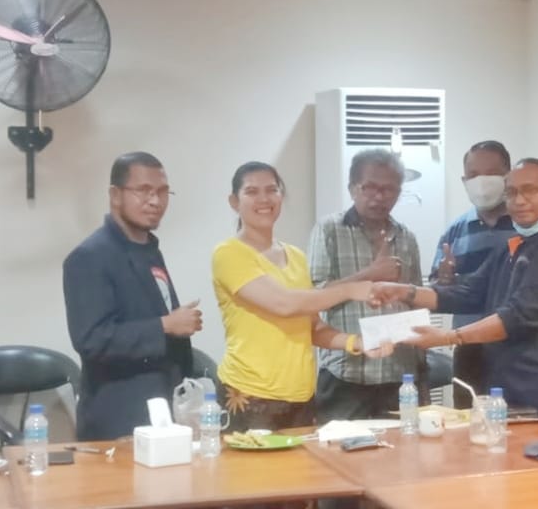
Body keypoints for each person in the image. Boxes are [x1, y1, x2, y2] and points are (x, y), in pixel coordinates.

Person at [374, 158, 538, 431]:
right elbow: (468, 293)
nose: (519, 200)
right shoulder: (513, 244)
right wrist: (405, 292)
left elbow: (518, 315)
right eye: (511, 192)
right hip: (506, 390)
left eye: (529, 190)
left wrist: (450, 337)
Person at [212, 162, 392, 432]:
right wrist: (350, 289)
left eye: (272, 190)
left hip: (302, 396)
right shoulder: (229, 253)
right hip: (249, 394)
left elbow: (312, 327)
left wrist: (356, 342)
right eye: (252, 192)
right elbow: (283, 303)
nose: (264, 199)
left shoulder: (295, 256)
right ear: (234, 202)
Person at [64, 152, 202, 440]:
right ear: (115, 195)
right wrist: (165, 325)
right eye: (144, 191)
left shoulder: (149, 250)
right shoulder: (89, 256)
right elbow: (92, 339)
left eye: (163, 192)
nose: (155, 201)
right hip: (118, 416)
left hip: (162, 410)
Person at [308, 149, 428, 422]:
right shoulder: (328, 229)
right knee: (339, 447)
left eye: (389, 189)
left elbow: (416, 299)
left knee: (403, 447)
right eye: (370, 187)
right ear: (352, 188)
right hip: (346, 371)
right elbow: (314, 296)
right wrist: (370, 274)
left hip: (399, 372)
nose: (379, 196)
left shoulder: (407, 237)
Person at [429, 140, 515, 407]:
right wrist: (444, 282)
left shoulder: (524, 225)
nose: (482, 182)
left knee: (516, 423)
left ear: (508, 174)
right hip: (468, 348)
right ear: (464, 180)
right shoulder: (455, 231)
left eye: (491, 173)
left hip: (517, 346)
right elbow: (437, 290)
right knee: (466, 422)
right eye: (474, 175)